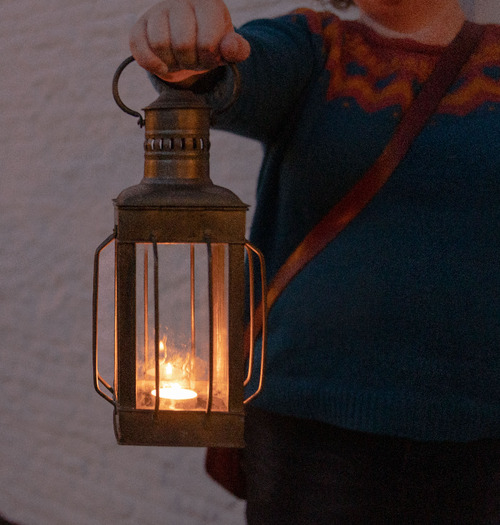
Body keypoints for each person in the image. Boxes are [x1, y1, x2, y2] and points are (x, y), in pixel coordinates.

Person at [129, 1, 500, 523]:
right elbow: (234, 72)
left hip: (480, 429)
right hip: (309, 425)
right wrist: (191, 52)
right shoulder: (315, 44)